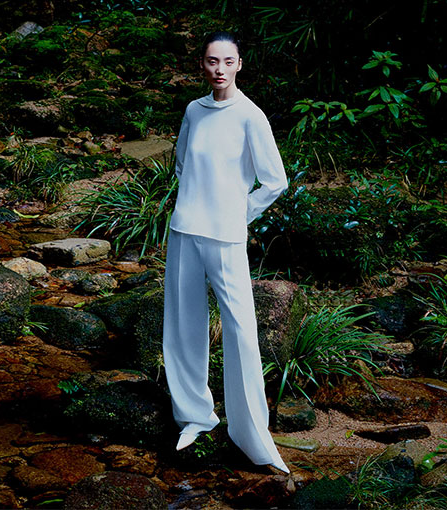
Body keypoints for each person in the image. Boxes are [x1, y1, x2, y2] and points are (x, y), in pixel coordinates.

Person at [162, 31, 290, 474]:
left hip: (227, 236)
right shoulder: (194, 111)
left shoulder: (250, 115)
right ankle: (195, 416)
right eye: (212, 61)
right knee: (183, 324)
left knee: (241, 330)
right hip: (185, 230)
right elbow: (182, 163)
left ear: (239, 65)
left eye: (227, 61)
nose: (219, 69)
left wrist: (239, 211)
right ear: (202, 64)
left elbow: (275, 180)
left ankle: (253, 435)